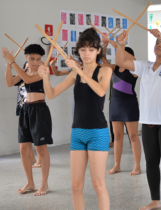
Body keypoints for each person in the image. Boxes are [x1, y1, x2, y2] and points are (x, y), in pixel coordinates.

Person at [38, 28, 112, 210]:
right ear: (78, 50)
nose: (87, 53)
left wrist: (79, 70)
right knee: (75, 186)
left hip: (98, 132)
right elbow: (52, 94)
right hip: (77, 132)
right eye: (83, 49)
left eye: (92, 49)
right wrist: (46, 78)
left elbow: (101, 91)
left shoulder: (105, 70)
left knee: (98, 185)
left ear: (98, 51)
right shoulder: (74, 73)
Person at [116, 29, 161, 210]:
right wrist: (121, 44)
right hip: (148, 121)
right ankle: (155, 200)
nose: (158, 45)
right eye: (157, 43)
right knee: (151, 162)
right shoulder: (144, 65)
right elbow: (120, 61)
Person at [2, 44, 53, 196]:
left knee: (40, 148)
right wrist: (7, 64)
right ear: (26, 57)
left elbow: (29, 80)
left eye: (38, 59)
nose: (35, 62)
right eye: (32, 59)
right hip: (26, 110)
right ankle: (30, 182)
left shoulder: (42, 70)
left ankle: (44, 184)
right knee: (24, 148)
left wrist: (12, 63)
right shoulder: (24, 69)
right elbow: (10, 83)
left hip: (40, 110)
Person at [101, 40, 141, 176]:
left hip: (129, 104)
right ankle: (117, 165)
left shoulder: (134, 70)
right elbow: (102, 59)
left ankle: (137, 166)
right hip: (115, 104)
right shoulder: (114, 68)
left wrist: (120, 47)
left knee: (133, 136)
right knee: (117, 136)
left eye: (123, 54)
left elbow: (135, 60)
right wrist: (105, 47)